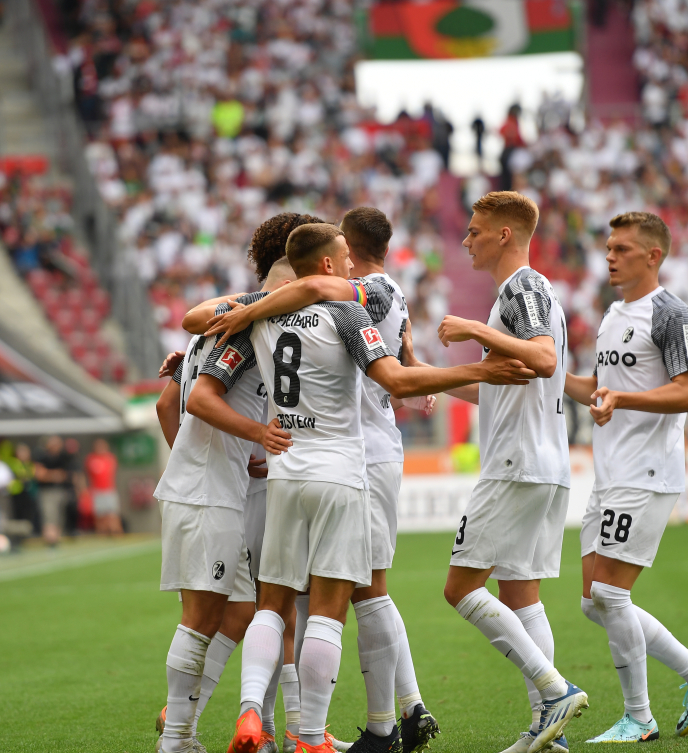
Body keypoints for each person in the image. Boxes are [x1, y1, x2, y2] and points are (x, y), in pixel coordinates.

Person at [195, 222, 529, 753]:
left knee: (271, 604)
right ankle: (309, 738)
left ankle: (252, 713)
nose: (351, 264)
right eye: (344, 256)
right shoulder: (350, 313)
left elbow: (201, 335)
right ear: (327, 265)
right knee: (328, 609)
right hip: (339, 475)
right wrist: (479, 373)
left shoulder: (259, 310)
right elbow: (396, 380)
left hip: (283, 473)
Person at [204, 208, 442, 753]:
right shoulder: (353, 304)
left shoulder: (279, 310)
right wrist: (462, 371)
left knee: (285, 602)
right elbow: (393, 369)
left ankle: (266, 717)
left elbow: (206, 324)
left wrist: (247, 309)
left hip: (298, 464)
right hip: (349, 463)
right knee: (348, 600)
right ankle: (337, 727)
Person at [406, 191, 586, 753]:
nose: (466, 241)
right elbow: (500, 389)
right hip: (542, 462)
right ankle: (547, 730)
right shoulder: (528, 296)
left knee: (460, 588)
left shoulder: (523, 287)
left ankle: (554, 692)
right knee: (521, 595)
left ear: (505, 234)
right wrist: (423, 375)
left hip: (517, 463)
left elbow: (544, 359)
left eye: (476, 231)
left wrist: (474, 332)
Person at [563, 212, 688, 743]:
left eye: (623, 249)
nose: (610, 256)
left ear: (653, 256)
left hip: (648, 472)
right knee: (594, 600)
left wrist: (623, 398)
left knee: (610, 596)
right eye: (609, 247)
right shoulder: (613, 314)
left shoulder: (671, 314)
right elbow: (600, 386)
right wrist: (545, 374)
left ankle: (640, 717)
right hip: (610, 473)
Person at [151, 256, 297, 753]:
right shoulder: (250, 332)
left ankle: (183, 725)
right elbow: (198, 403)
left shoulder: (202, 337)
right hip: (208, 496)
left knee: (238, 614)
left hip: (209, 487)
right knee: (199, 616)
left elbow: (165, 405)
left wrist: (201, 460)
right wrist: (258, 436)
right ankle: (177, 739)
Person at [34, 436, 73, 546]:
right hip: (47, 492)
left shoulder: (63, 458)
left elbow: (66, 475)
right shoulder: (42, 457)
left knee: (60, 517)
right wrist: (54, 475)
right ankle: (50, 541)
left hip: (61, 491)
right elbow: (40, 474)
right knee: (49, 517)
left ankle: (57, 539)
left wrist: (51, 474)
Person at [85, 438, 122, 535]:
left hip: (109, 490)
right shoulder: (91, 459)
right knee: (100, 515)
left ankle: (116, 533)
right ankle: (102, 533)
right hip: (97, 491)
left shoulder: (110, 458)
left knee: (112, 514)